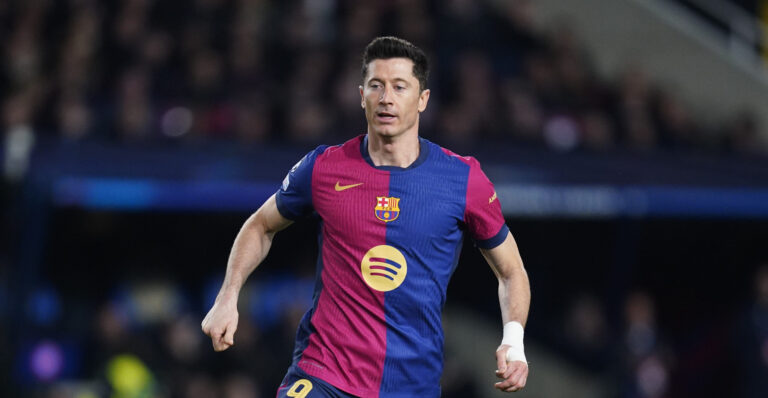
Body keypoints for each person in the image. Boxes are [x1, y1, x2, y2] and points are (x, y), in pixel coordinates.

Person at [202, 36, 531, 397]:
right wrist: (227, 298)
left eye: (400, 87)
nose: (386, 98)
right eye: (376, 86)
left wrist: (513, 341)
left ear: (423, 100)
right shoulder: (324, 168)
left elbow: (511, 270)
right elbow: (260, 225)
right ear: (362, 96)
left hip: (410, 384)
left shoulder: (463, 180)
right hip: (324, 373)